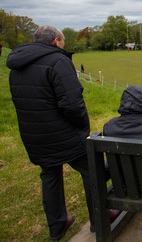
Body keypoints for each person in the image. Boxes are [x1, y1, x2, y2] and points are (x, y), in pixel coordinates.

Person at [6, 25, 93, 241]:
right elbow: (72, 104)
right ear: (56, 41)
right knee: (92, 169)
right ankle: (100, 214)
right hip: (64, 133)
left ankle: (57, 225)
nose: (63, 45)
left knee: (50, 176)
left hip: (35, 135)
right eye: (62, 41)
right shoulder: (58, 60)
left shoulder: (17, 65)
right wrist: (83, 126)